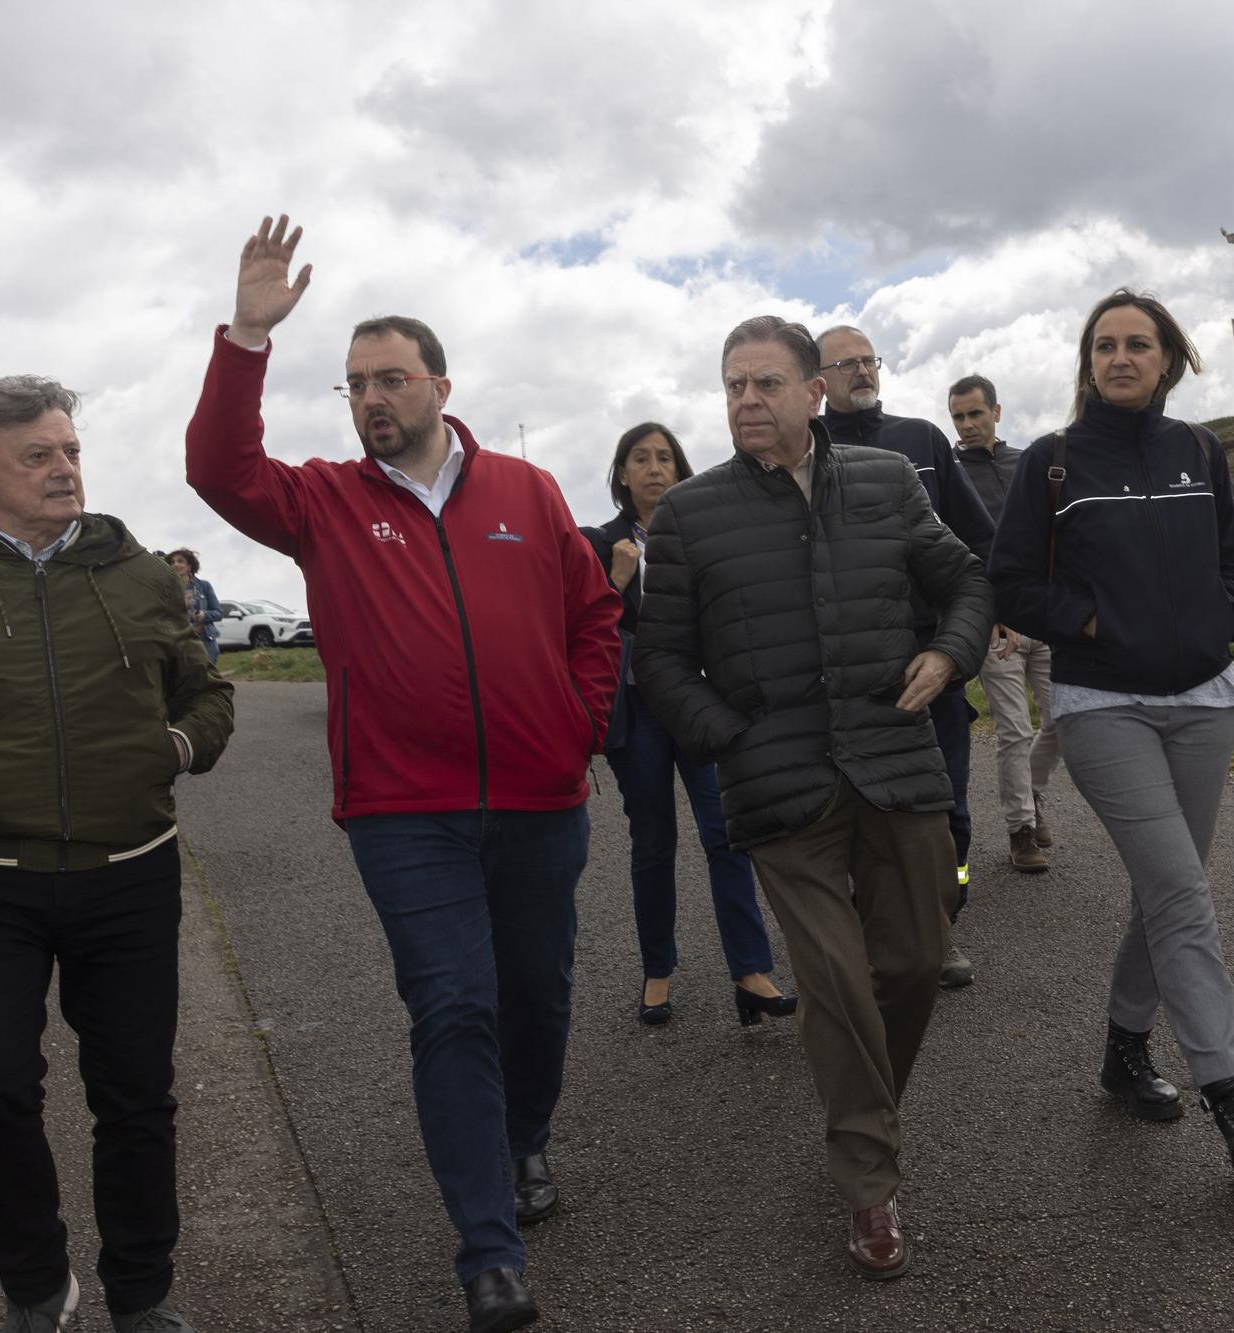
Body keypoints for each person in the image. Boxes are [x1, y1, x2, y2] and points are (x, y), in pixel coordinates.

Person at [185, 216, 622, 1333]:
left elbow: (595, 616)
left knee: (537, 996)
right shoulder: (324, 501)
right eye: (353, 385)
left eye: (389, 378)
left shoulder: (527, 493)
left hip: (539, 800)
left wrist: (581, 722)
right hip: (403, 811)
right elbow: (219, 469)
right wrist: (246, 335)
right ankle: (488, 1247)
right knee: (454, 1005)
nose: (371, 398)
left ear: (439, 383)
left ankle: (523, 1144)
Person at [632, 315, 990, 1280]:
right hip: (779, 786)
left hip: (897, 762)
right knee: (833, 981)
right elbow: (658, 662)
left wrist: (950, 653)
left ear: (813, 392)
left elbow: (966, 581)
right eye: (732, 387)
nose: (747, 402)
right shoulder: (693, 516)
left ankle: (860, 1115)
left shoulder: (886, 482)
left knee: (914, 965)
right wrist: (730, 737)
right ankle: (870, 1184)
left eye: (766, 385)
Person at [0, 375, 235, 1333]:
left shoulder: (142, 573)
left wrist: (177, 746)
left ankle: (141, 1294)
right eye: (37, 455)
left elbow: (207, 693)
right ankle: (34, 1285)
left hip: (129, 869)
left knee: (136, 1095)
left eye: (69, 450)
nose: (65, 469)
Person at [987, 288, 1234, 1184]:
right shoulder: (1052, 464)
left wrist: (1224, 617)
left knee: (1169, 888)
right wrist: (1090, 627)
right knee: (1182, 893)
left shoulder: (1199, 450)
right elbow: (1011, 582)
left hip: (1206, 700)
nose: (1122, 357)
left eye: (1139, 344)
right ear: (1087, 364)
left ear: (1169, 359)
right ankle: (1232, 1095)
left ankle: (1124, 1049)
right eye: (1105, 345)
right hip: (1102, 704)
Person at [582, 421, 796, 1028]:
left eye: (666, 459)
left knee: (726, 834)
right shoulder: (598, 543)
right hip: (637, 710)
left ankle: (750, 971)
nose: (654, 468)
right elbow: (580, 625)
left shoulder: (701, 536)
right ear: (622, 474)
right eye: (640, 459)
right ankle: (657, 972)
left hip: (697, 704)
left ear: (681, 472)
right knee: (653, 844)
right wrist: (616, 580)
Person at [817, 325, 995, 989]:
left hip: (931, 659)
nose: (862, 370)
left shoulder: (922, 439)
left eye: (869, 359)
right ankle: (872, 929)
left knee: (944, 803)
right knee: (861, 810)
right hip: (846, 669)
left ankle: (940, 925)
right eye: (847, 362)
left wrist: (970, 632)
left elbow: (978, 543)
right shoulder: (802, 451)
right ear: (818, 379)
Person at [947, 374, 1057, 873]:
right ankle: (1022, 831)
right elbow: (955, 553)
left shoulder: (1027, 464)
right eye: (958, 417)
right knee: (1013, 730)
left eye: (975, 414)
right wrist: (985, 614)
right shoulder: (949, 475)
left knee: (1067, 722)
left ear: (997, 411)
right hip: (995, 626)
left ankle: (1031, 794)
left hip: (1048, 618)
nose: (967, 425)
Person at [165, 547, 222, 663]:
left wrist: (204, 615)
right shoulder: (167, 590)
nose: (175, 564)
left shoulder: (204, 586)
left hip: (205, 641)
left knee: (208, 679)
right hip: (180, 642)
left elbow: (219, 613)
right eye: (172, 562)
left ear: (189, 566)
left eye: (180, 561)